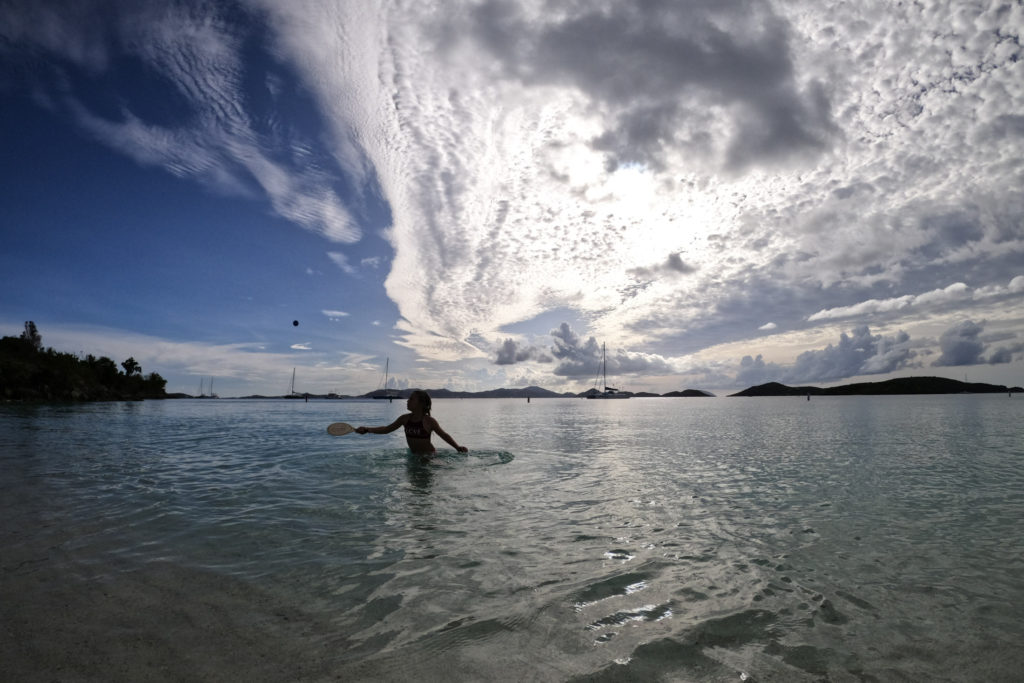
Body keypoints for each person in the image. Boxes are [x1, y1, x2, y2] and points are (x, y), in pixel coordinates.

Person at [355, 390, 468, 456]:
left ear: (421, 404)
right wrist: (367, 429)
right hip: (413, 456)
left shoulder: (429, 421)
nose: (407, 401)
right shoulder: (404, 419)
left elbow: (444, 435)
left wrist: (457, 447)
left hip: (429, 456)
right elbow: (386, 429)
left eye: (411, 399)